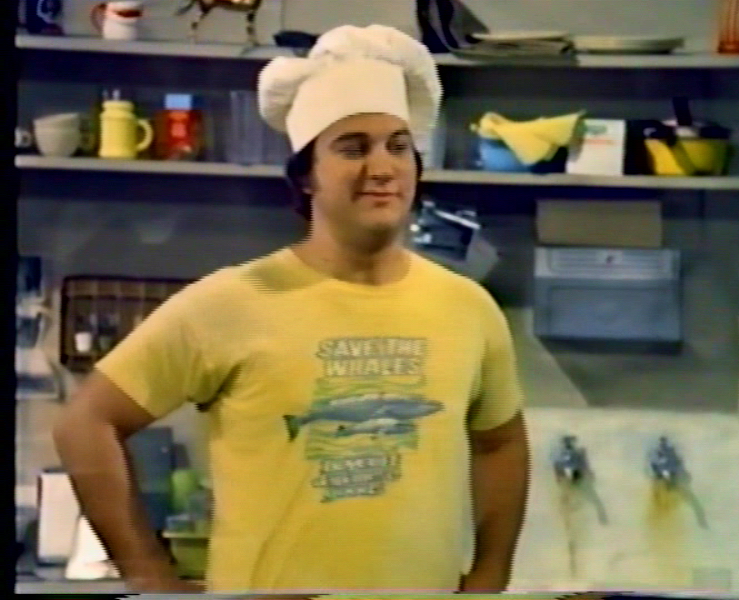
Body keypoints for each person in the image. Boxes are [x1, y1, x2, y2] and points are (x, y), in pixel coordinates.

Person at [53, 24, 529, 595]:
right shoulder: (233, 301)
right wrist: (150, 578)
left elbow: (501, 443)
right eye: (353, 148)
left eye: (398, 146)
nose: (382, 167)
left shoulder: (467, 307)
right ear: (306, 175)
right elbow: (85, 424)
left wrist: (490, 575)